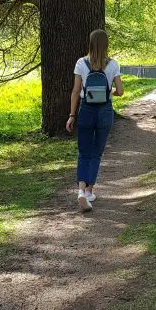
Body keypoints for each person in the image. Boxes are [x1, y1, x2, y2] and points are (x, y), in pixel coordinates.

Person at [66, 29, 123, 211]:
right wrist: (109, 92)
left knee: (84, 152)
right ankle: (90, 191)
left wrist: (71, 115)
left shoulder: (81, 63)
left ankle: (81, 191)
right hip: (105, 111)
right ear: (106, 45)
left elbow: (76, 91)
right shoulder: (113, 64)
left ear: (90, 43)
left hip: (86, 110)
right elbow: (120, 91)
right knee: (97, 153)